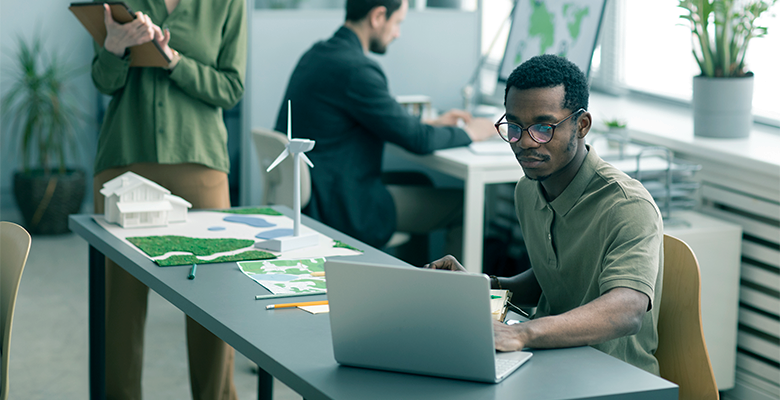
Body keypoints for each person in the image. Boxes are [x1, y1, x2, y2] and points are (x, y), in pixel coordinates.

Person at [426, 54, 664, 375]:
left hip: (612, 375)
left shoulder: (626, 205)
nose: (524, 142)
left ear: (582, 126)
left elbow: (627, 310)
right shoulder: (528, 189)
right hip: (549, 360)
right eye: (514, 126)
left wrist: (522, 333)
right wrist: (482, 285)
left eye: (543, 127)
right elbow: (553, 277)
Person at [90, 0, 246, 398]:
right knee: (118, 311)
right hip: (124, 162)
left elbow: (231, 88)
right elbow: (104, 82)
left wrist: (173, 59)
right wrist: (114, 48)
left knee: (213, 306)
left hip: (200, 162)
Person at [274, 0, 496, 259]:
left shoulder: (319, 54)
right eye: (398, 22)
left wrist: (431, 124)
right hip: (340, 207)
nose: (398, 33)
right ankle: (453, 298)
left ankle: (414, 282)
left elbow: (388, 121)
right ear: (378, 16)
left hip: (320, 191)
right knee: (465, 205)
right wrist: (472, 132)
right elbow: (418, 141)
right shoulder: (356, 69)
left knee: (419, 180)